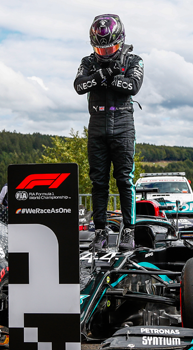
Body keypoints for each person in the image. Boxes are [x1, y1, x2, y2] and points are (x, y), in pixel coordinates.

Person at [74, 14, 144, 251]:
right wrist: (103, 75)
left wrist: (105, 80)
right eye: (100, 49)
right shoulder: (88, 62)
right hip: (97, 126)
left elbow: (132, 86)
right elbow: (78, 85)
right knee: (98, 182)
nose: (104, 53)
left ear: (120, 39)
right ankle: (100, 232)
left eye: (110, 48)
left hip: (123, 125)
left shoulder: (134, 59)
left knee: (125, 180)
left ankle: (129, 231)